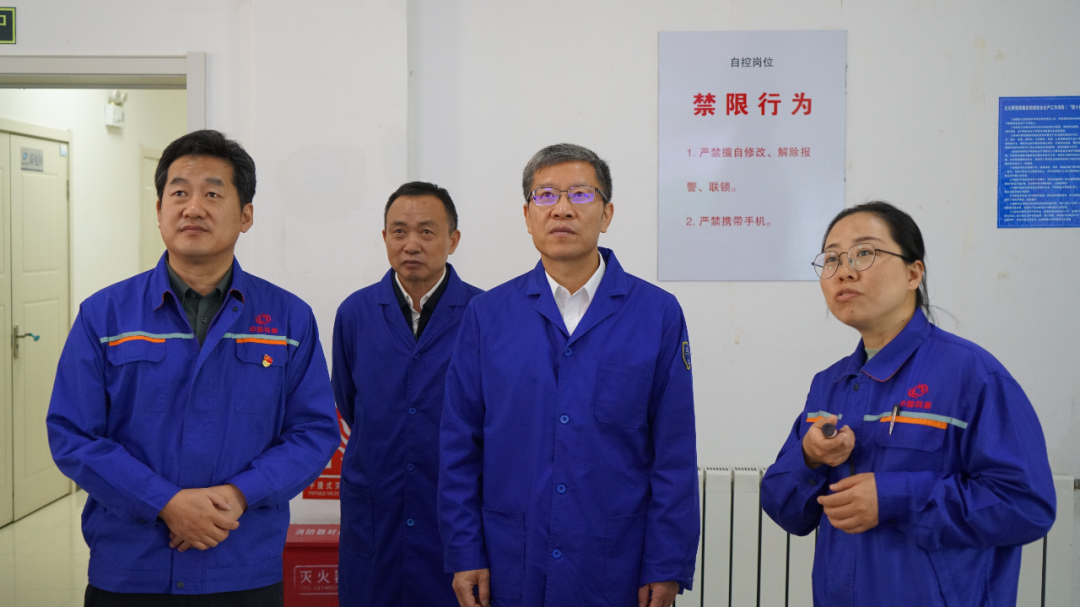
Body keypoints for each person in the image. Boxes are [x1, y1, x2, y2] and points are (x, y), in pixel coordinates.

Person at [46, 129, 340, 606]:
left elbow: (313, 431)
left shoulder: (288, 319)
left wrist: (238, 495)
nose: (193, 207)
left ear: (246, 215)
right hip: (132, 567)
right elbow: (73, 434)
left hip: (241, 562)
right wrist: (163, 502)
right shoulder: (105, 316)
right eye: (179, 193)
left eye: (213, 194)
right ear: (159, 209)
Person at [438, 144, 699, 607]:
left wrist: (667, 562)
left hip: (616, 561)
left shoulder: (656, 314)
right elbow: (460, 445)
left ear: (607, 213)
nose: (561, 208)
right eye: (545, 195)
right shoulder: (488, 315)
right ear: (527, 215)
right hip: (510, 557)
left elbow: (674, 451)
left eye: (580, 194)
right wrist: (464, 550)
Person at [760, 201, 1056, 607]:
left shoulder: (972, 375)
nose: (844, 271)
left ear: (914, 273)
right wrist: (809, 458)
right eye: (831, 259)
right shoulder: (830, 384)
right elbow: (785, 510)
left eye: (864, 252)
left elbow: (1026, 506)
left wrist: (897, 498)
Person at [332, 181, 482, 606]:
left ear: (453, 240)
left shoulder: (485, 314)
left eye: (427, 232)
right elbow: (348, 401)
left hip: (453, 511)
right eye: (399, 231)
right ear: (385, 238)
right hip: (376, 508)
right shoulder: (355, 313)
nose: (411, 244)